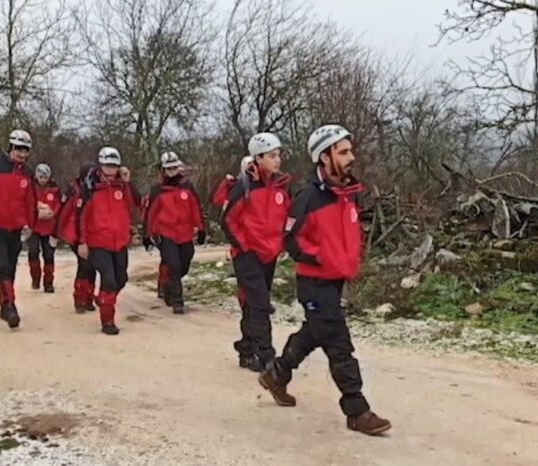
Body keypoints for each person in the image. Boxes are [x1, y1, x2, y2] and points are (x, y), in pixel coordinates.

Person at [257, 124, 391, 436]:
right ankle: (356, 410)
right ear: (324, 156)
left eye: (349, 150)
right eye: (343, 152)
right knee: (339, 344)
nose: (351, 157)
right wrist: (315, 257)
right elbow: (289, 236)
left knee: (314, 334)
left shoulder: (349, 194)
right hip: (314, 283)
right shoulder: (307, 196)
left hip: (336, 280)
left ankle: (277, 374)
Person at [221, 133, 291, 372]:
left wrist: (283, 243)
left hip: (269, 255)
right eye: (272, 156)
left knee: (253, 305)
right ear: (258, 158)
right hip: (248, 254)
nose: (277, 160)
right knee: (261, 304)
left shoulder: (282, 187)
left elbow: (287, 218)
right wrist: (244, 246)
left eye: (278, 155)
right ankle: (266, 355)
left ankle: (246, 349)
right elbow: (228, 219)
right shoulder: (245, 186)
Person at [0, 130, 37, 329]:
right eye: (19, 149)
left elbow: (30, 201)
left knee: (9, 267)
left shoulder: (27, 173)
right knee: (1, 264)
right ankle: (10, 306)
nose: (21, 154)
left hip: (16, 227)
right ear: (10, 147)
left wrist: (30, 223)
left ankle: (4, 304)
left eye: (25, 151)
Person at [78, 147, 141, 335]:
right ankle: (107, 321)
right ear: (100, 166)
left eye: (114, 166)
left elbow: (135, 204)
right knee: (109, 280)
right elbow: (81, 216)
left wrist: (128, 183)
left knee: (121, 278)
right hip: (98, 242)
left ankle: (104, 299)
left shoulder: (122, 186)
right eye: (107, 166)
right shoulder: (90, 188)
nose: (111, 170)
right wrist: (82, 241)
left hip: (120, 241)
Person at [142, 152, 206, 314]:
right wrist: (147, 235)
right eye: (168, 169)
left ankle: (166, 282)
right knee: (174, 266)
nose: (171, 171)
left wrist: (201, 229)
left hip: (185, 233)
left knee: (185, 262)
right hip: (166, 233)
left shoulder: (187, 187)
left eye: (174, 168)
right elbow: (151, 213)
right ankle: (177, 301)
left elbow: (196, 208)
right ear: (163, 170)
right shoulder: (158, 190)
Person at [57, 162, 98, 313]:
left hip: (91, 233)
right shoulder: (74, 190)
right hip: (75, 233)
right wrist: (58, 232)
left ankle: (88, 297)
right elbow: (65, 210)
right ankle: (80, 298)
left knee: (92, 266)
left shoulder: (96, 189)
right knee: (84, 265)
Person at [28, 163, 62, 293]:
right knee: (33, 252)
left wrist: (53, 212)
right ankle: (35, 278)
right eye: (40, 177)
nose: (43, 179)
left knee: (48, 255)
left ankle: (48, 283)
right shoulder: (31, 188)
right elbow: (26, 202)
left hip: (49, 228)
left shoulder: (55, 189)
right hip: (34, 227)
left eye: (45, 177)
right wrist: (35, 210)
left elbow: (59, 204)